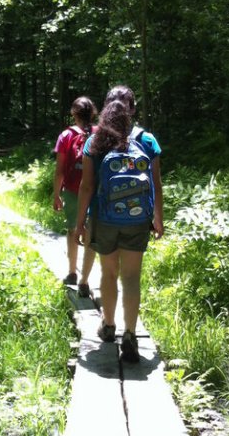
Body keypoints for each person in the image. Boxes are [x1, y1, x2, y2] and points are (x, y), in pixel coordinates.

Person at [74, 85, 163, 363]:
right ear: (133, 109)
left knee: (109, 273)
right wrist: (158, 217)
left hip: (104, 219)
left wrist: (80, 224)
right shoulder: (146, 140)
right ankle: (131, 335)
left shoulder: (94, 142)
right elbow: (156, 185)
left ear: (106, 107)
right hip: (138, 219)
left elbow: (87, 186)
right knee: (132, 277)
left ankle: (109, 326)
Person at [53, 96, 98, 297]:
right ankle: (85, 280)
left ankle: (72, 272)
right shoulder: (100, 134)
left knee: (73, 230)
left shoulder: (66, 135)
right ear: (93, 113)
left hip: (72, 190)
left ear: (73, 113)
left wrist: (56, 194)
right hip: (96, 190)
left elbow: (60, 170)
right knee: (90, 233)